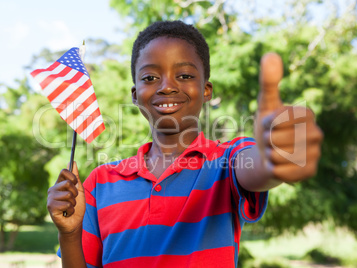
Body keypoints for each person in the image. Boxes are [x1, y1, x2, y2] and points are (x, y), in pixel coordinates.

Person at [47, 20, 323, 268]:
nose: (166, 86)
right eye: (150, 78)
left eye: (185, 76)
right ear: (135, 94)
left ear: (206, 90)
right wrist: (69, 234)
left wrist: (277, 155)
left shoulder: (226, 161)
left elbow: (259, 167)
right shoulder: (100, 183)